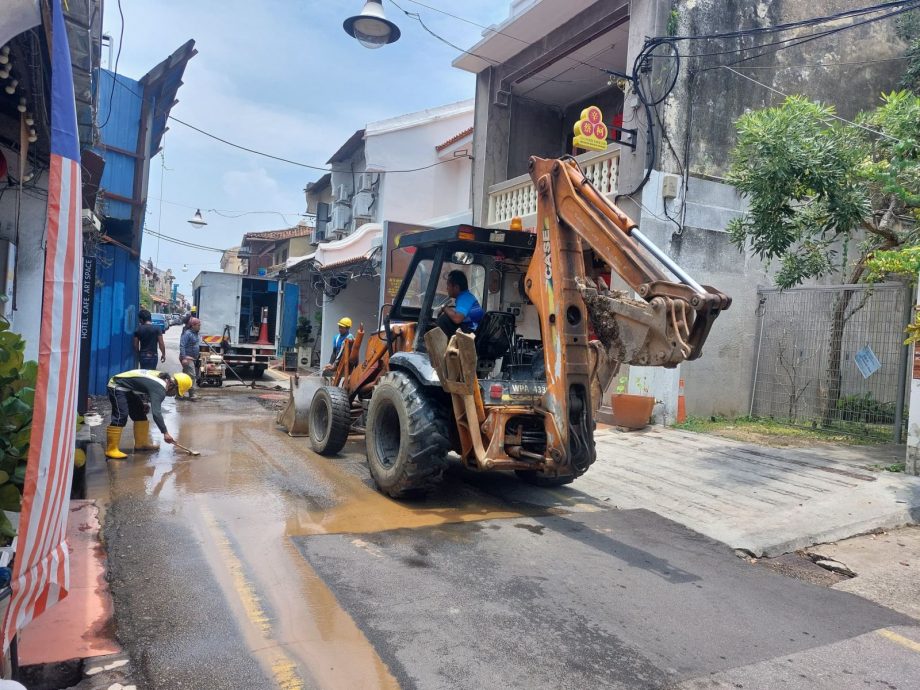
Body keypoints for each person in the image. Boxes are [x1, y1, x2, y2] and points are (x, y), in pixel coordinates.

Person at [105, 369, 192, 459]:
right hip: (117, 385)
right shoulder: (160, 388)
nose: (173, 395)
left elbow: (143, 385)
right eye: (176, 393)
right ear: (173, 385)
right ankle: (111, 449)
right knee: (121, 416)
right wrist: (165, 433)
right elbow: (156, 413)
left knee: (140, 415)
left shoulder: (162, 377)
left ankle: (141, 444)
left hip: (129, 389)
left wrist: (144, 402)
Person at [437, 270, 483, 337]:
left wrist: (444, 307)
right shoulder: (466, 296)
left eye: (448, 285)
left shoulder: (464, 298)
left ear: (456, 287)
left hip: (473, 333)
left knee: (443, 320)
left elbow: (457, 319)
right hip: (471, 329)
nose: (447, 288)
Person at [180, 317, 201, 400]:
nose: (199, 327)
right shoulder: (187, 334)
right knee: (192, 376)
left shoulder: (195, 334)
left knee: (185, 377)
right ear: (193, 325)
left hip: (192, 358)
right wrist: (184, 358)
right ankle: (192, 394)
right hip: (187, 358)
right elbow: (182, 346)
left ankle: (179, 394)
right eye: (198, 325)